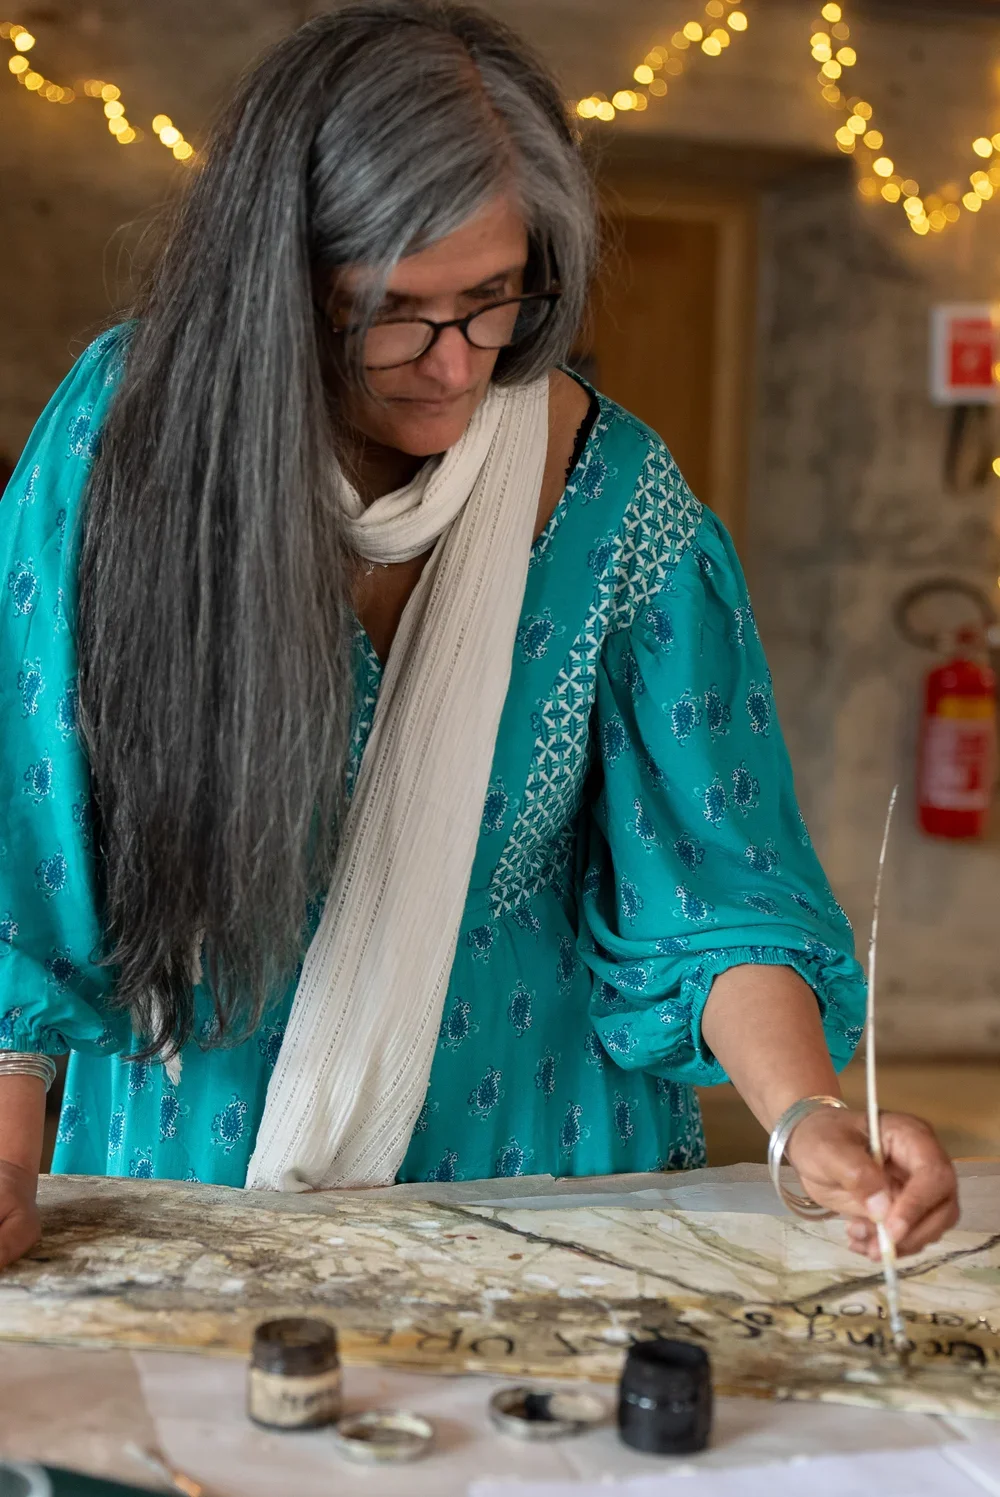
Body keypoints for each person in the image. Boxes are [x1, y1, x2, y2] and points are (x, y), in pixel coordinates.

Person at [0, 0, 956, 1267]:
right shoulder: (128, 449)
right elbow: (24, 825)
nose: (454, 367)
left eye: (495, 299)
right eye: (393, 311)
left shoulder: (614, 503)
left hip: (537, 1154)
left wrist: (807, 1120)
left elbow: (718, 882)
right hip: (196, 1152)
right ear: (276, 286)